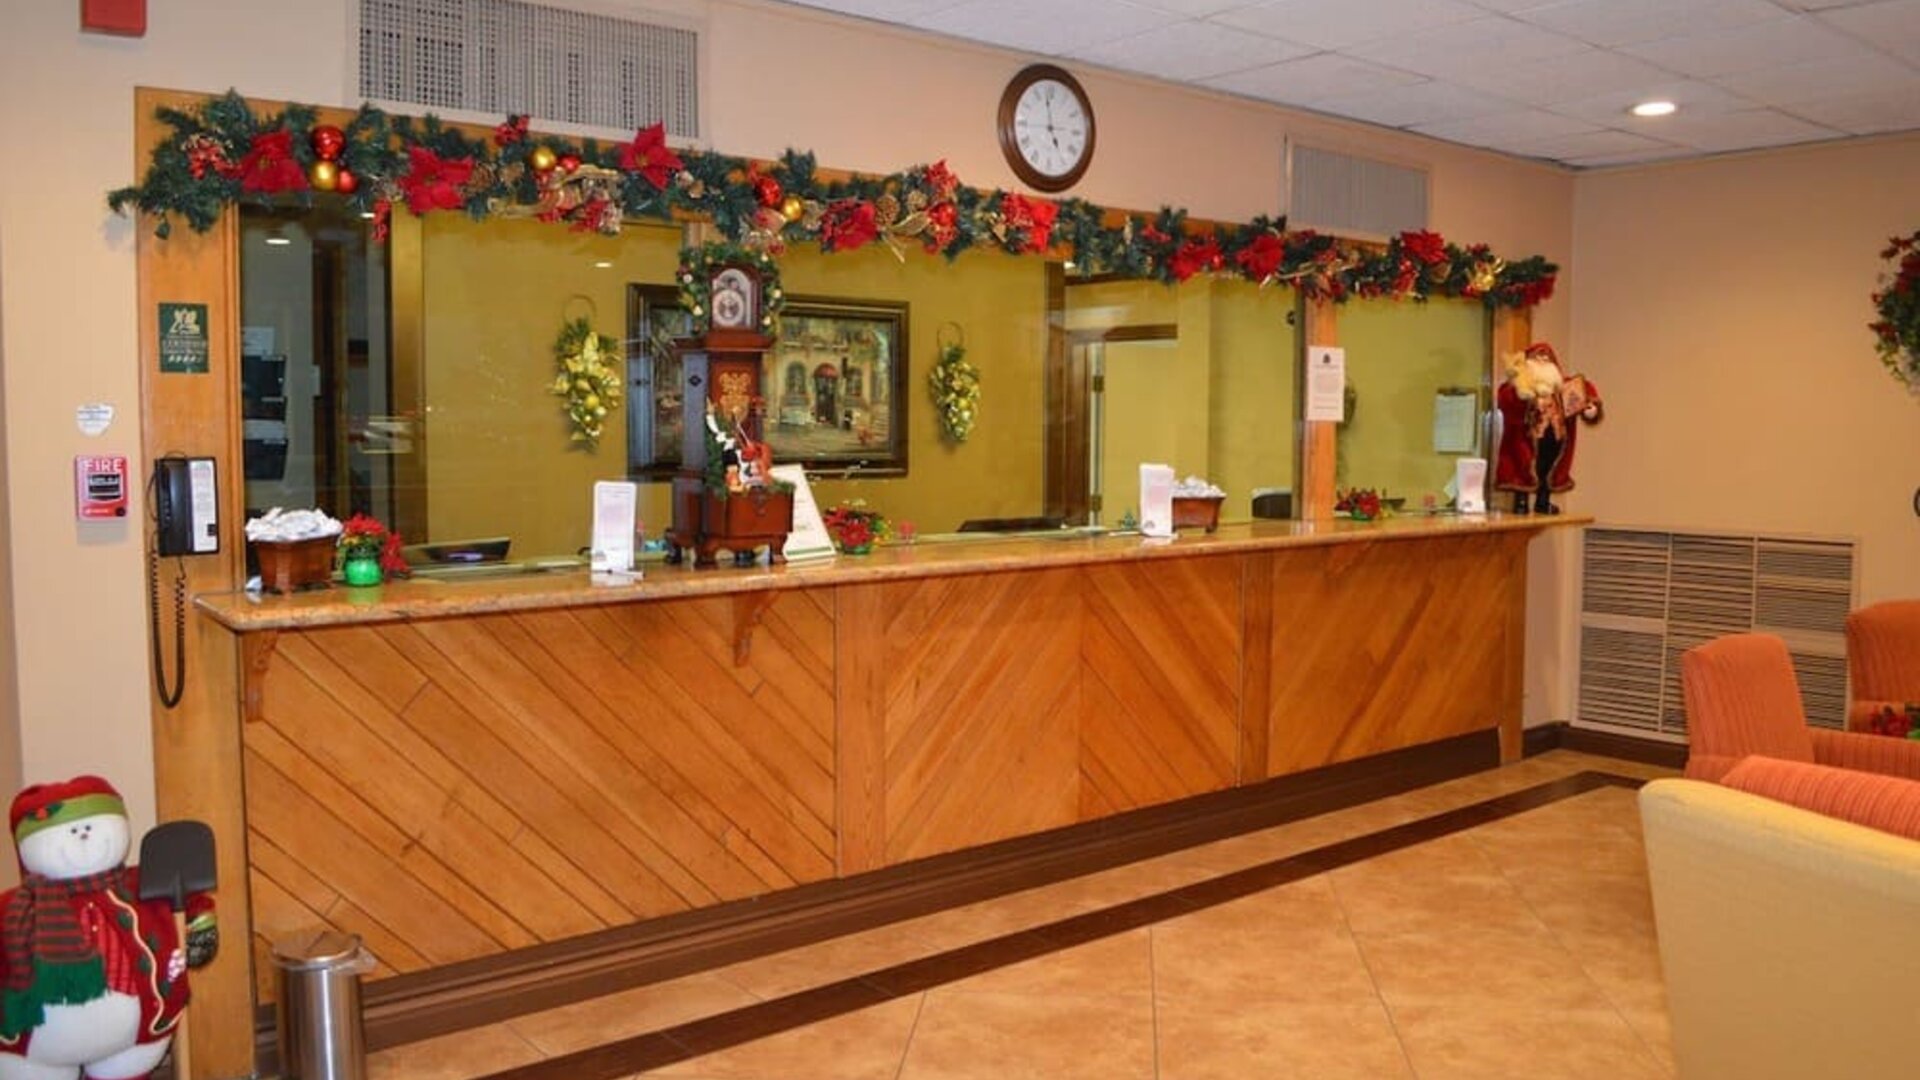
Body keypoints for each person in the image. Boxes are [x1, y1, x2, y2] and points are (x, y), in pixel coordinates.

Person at [1495, 342, 1602, 514]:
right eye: (1538, 357)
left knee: (1548, 468)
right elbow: (1506, 400)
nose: (1543, 360)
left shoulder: (1561, 386)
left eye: (1547, 357)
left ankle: (1542, 501)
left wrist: (1591, 408)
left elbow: (1584, 391)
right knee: (1524, 466)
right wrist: (1521, 394)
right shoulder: (1520, 385)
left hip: (1555, 434)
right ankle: (1521, 501)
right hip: (1528, 437)